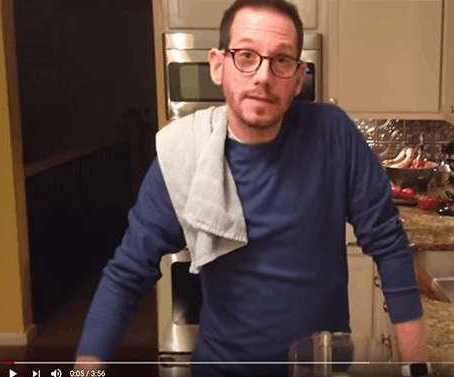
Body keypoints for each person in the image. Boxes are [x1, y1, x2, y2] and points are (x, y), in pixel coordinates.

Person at [74, 0, 429, 375]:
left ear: (298, 77)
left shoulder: (334, 134)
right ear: (218, 65)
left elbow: (389, 247)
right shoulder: (183, 154)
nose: (262, 76)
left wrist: (417, 366)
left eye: (281, 60)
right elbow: (127, 273)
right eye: (246, 55)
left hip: (318, 367)